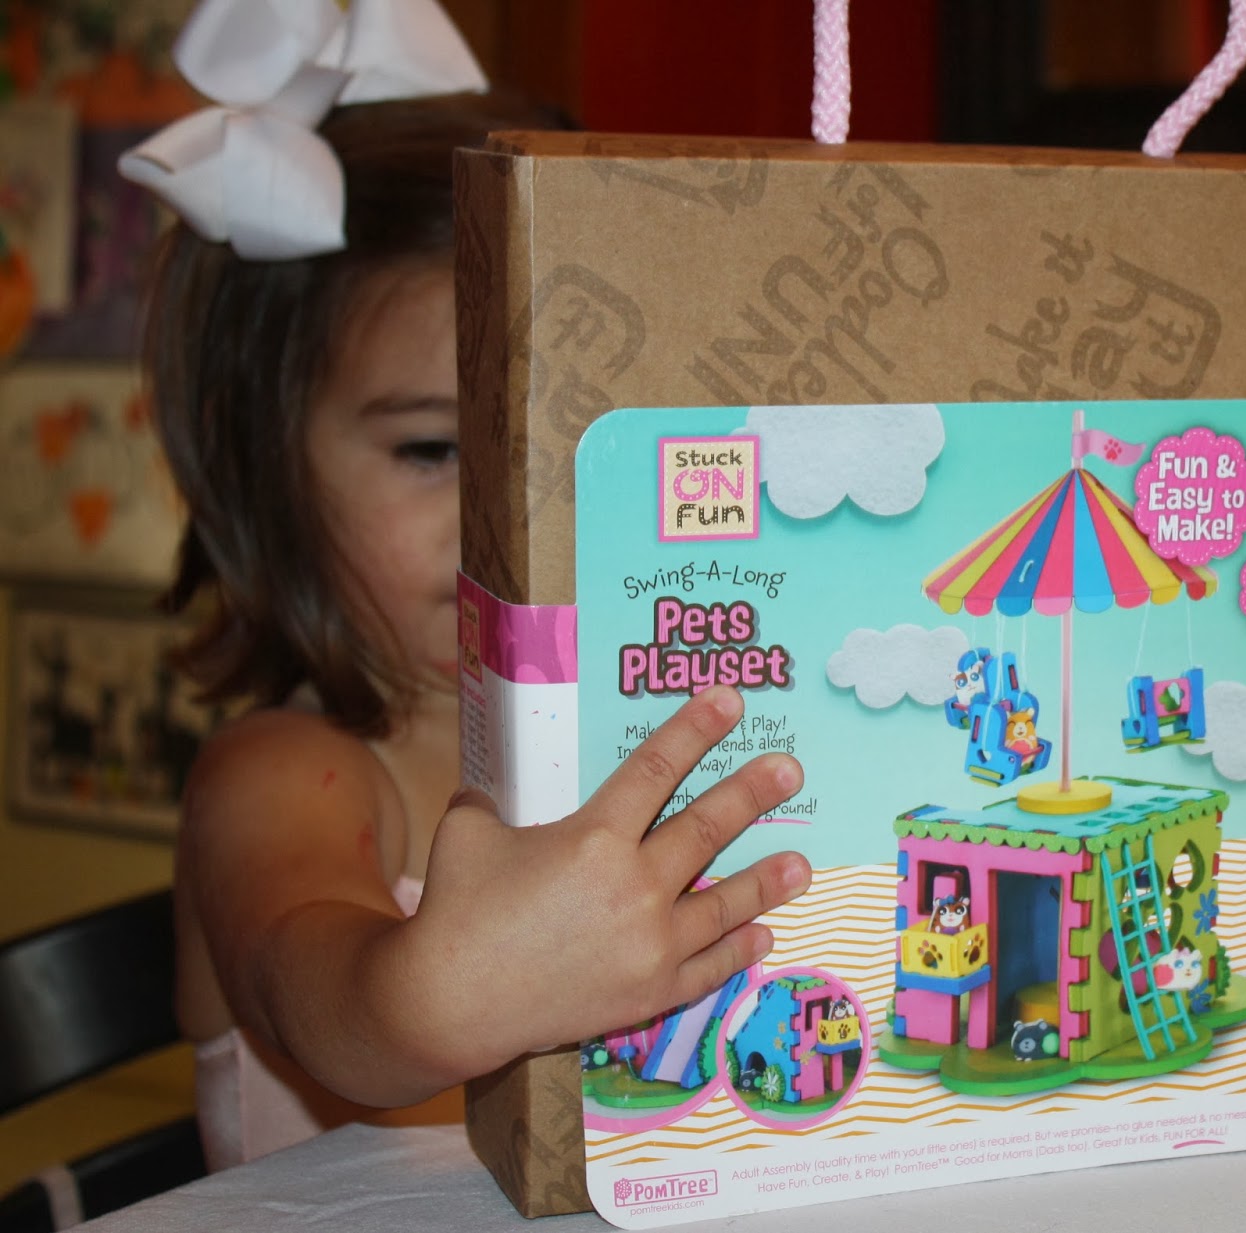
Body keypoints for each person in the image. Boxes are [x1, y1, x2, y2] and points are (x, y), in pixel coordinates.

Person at [126, 1, 811, 1171]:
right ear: (256, 452)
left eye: (567, 452)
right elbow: (323, 1007)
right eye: (434, 450)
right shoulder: (282, 778)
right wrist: (436, 997)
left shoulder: (634, 743)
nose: (511, 519)